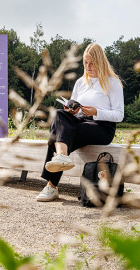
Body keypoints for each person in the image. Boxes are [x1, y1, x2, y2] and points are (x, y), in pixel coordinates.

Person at [36, 43, 124, 202]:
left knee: (56, 135)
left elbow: (119, 115)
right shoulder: (80, 82)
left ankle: (51, 186)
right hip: (80, 121)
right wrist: (74, 110)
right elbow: (75, 106)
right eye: (85, 63)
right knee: (59, 114)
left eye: (92, 63)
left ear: (100, 62)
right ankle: (62, 157)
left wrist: (96, 112)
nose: (88, 66)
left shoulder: (113, 83)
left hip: (102, 127)